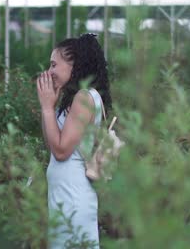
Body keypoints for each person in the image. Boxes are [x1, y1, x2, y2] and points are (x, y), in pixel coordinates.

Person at [37, 33, 112, 248]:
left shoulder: (84, 97)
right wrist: (49, 107)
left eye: (54, 65)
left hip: (73, 198)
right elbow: (52, 143)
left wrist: (45, 108)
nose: (50, 71)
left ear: (74, 65)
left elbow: (61, 151)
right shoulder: (74, 98)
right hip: (64, 196)